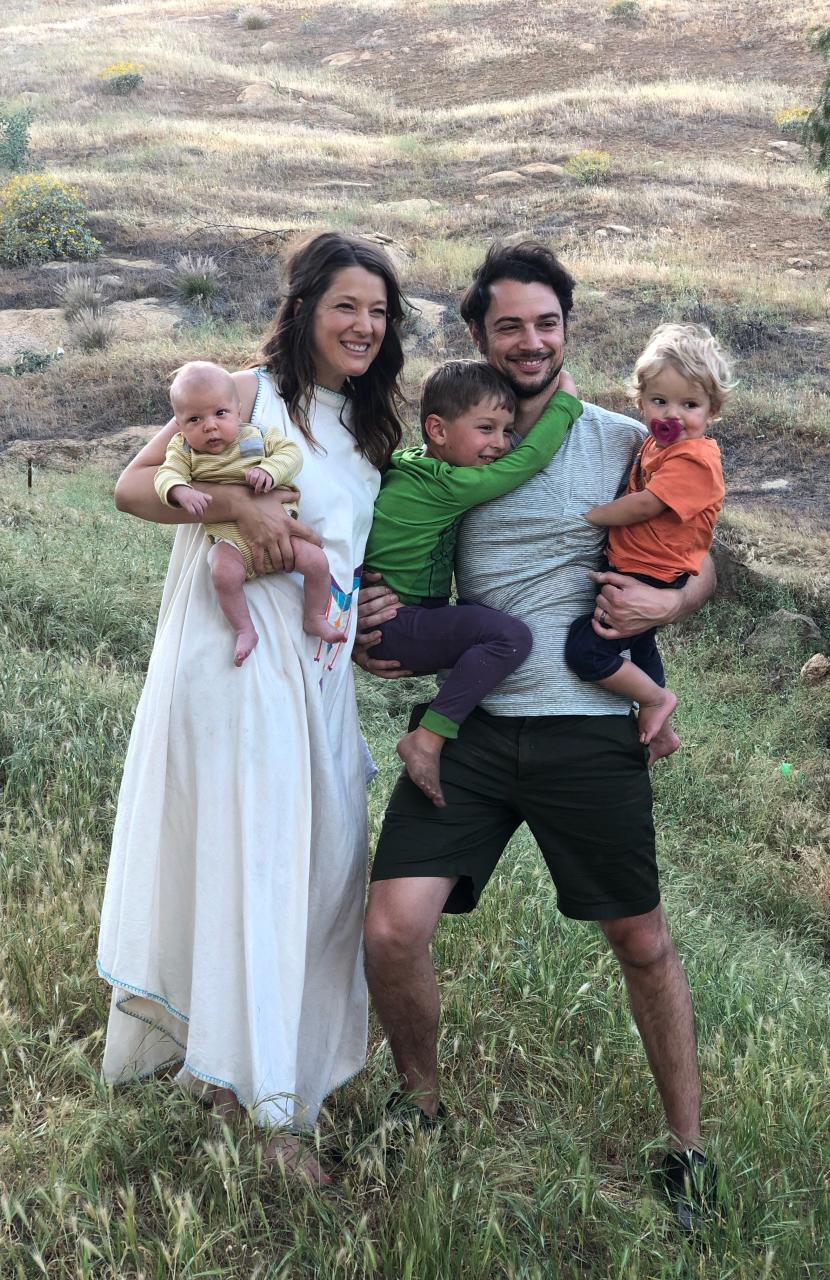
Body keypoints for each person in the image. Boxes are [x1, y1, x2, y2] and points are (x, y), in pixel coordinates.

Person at [356, 242, 718, 1226]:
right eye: (509, 324)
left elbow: (700, 559)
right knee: (390, 928)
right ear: (481, 334)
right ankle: (421, 1100)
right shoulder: (458, 443)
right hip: (472, 730)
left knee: (641, 941)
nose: (530, 340)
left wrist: (668, 601)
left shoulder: (625, 439)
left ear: (569, 327)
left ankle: (688, 1152)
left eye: (546, 322)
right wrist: (378, 626)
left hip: (590, 731)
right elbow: (401, 558)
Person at [97, 230, 407, 1182]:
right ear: (306, 308)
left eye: (379, 311)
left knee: (320, 870)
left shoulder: (366, 430)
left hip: (316, 676)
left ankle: (251, 1068)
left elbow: (346, 547)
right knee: (261, 864)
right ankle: (269, 1115)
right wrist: (235, 509)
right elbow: (132, 486)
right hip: (233, 662)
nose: (363, 324)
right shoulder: (243, 391)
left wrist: (375, 599)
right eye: (346, 304)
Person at [364, 358, 582, 805]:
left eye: (507, 430)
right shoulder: (449, 484)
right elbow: (530, 460)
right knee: (510, 638)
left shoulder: (406, 463)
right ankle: (428, 738)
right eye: (487, 429)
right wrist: (564, 404)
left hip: (394, 618)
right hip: (398, 622)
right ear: (438, 431)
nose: (501, 444)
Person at [564, 323, 729, 749]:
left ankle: (656, 699)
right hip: (639, 565)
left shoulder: (694, 459)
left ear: (712, 410)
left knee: (589, 650)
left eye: (689, 404)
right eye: (659, 401)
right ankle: (663, 733)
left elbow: (645, 504)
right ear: (640, 402)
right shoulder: (657, 444)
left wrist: (592, 517)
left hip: (651, 574)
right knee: (641, 645)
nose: (672, 415)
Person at [155, 360, 344, 666]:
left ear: (238, 408)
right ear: (178, 426)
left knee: (317, 561)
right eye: (194, 419)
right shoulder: (184, 451)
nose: (210, 426)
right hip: (232, 542)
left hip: (281, 533)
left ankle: (314, 616)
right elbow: (164, 474)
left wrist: (269, 469)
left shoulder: (257, 434)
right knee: (221, 571)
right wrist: (181, 491)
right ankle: (244, 628)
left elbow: (291, 455)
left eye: (220, 413)